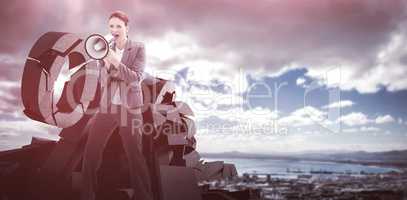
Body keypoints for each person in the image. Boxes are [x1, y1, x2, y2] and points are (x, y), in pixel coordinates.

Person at [81, 10, 153, 200]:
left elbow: (136, 77)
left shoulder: (138, 48)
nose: (114, 29)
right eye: (111, 26)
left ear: (126, 28)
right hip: (108, 107)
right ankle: (86, 195)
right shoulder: (104, 49)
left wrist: (114, 61)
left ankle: (144, 196)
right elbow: (103, 81)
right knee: (91, 152)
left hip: (130, 108)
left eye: (118, 26)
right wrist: (105, 62)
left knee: (135, 156)